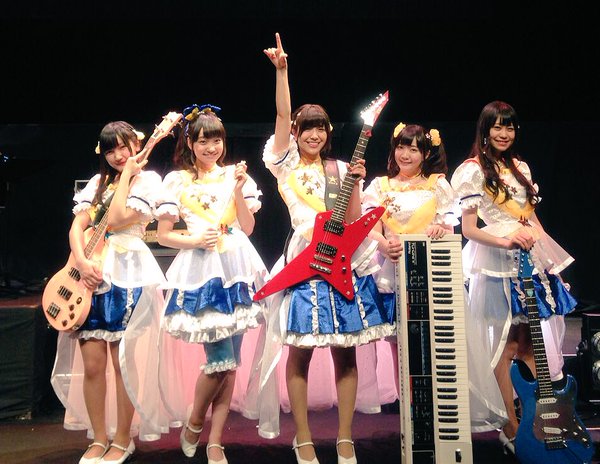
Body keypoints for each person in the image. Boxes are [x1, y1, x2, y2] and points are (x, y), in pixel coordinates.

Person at [260, 33, 395, 464]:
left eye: (320, 127)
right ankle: (302, 437)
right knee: (299, 351)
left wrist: (357, 185)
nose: (313, 134)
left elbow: (353, 219)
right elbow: (282, 113)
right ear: (296, 133)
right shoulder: (283, 164)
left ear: (329, 132)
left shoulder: (339, 167)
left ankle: (345, 437)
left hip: (343, 262)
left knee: (346, 351)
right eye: (307, 128)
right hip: (304, 260)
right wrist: (283, 72)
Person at [450, 101, 577, 454]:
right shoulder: (471, 171)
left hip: (530, 260)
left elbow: (532, 219)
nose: (504, 133)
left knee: (529, 345)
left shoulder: (520, 167)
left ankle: (540, 421)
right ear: (485, 130)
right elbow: (469, 229)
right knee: (505, 344)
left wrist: (549, 258)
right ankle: (510, 425)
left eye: (509, 127)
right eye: (497, 127)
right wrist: (506, 241)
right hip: (497, 260)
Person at [155, 104, 268, 464]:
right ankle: (194, 422)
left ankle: (215, 440)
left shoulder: (235, 175)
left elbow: (247, 227)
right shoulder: (177, 181)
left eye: (216, 140)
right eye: (203, 141)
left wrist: (238, 189)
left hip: (236, 267)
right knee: (219, 360)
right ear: (190, 143)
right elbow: (163, 235)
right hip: (201, 271)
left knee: (231, 362)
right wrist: (194, 240)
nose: (210, 147)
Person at [51, 121, 168, 464]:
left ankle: (123, 439)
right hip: (90, 273)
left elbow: (115, 219)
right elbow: (78, 226)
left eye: (123, 147)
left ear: (136, 145)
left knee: (122, 364)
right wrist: (81, 261)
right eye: (110, 149)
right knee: (92, 365)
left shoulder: (148, 181)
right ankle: (99, 438)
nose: (118, 155)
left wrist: (129, 174)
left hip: (127, 270)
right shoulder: (96, 183)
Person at [362, 122, 457, 396]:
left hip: (428, 270)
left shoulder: (437, 185)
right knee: (398, 343)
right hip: (391, 269)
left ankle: (433, 398)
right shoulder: (380, 186)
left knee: (431, 339)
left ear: (425, 154)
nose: (406, 154)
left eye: (414, 149)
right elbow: (370, 228)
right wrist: (384, 246)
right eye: (401, 147)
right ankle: (406, 400)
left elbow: (449, 227)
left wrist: (441, 229)